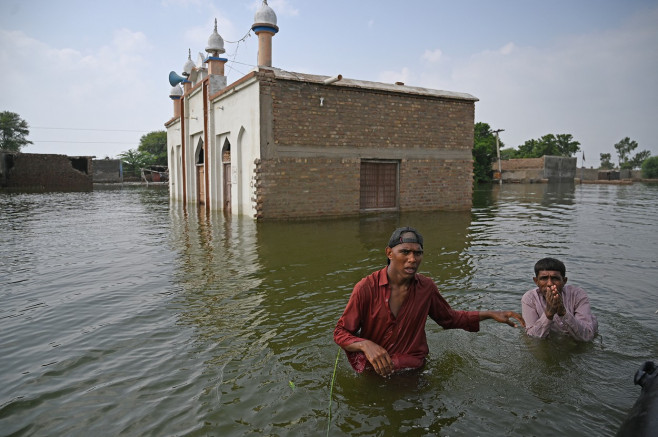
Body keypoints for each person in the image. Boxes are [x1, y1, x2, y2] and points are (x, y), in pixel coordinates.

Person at [333, 226, 525, 377]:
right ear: (389, 253)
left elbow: (449, 319)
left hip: (413, 370)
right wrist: (366, 345)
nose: (412, 259)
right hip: (376, 371)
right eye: (405, 252)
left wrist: (490, 314)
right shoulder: (366, 287)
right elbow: (341, 332)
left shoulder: (426, 287)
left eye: (418, 253)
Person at [521, 257, 598, 341]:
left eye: (555, 278)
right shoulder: (529, 298)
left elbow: (587, 336)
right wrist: (548, 314)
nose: (550, 284)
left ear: (564, 281)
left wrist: (563, 312)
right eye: (544, 278)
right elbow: (532, 337)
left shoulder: (577, 294)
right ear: (536, 281)